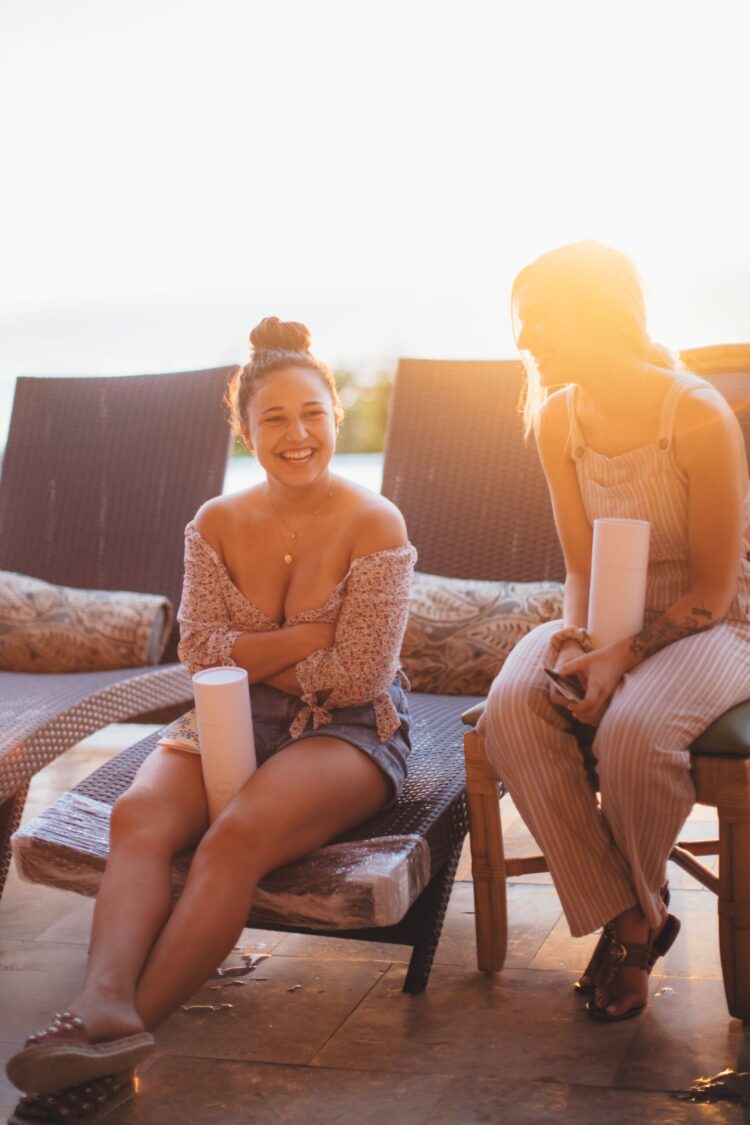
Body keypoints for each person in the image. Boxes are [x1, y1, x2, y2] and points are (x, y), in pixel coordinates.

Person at [6, 317, 416, 1120]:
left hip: (348, 727)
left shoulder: (377, 523)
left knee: (235, 837)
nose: (297, 435)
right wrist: (304, 636)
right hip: (227, 709)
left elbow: (359, 673)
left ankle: (100, 1048)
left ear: (336, 414)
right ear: (245, 430)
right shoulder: (216, 522)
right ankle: (104, 1001)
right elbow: (199, 654)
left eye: (312, 414)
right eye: (273, 419)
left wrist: (254, 648)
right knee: (138, 814)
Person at [479, 241, 750, 1022]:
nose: (524, 340)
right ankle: (630, 909)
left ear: (599, 314)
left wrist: (621, 659)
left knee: (632, 731)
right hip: (609, 613)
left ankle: (636, 928)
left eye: (537, 320)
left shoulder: (694, 415)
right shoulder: (558, 417)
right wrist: (576, 639)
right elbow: (582, 565)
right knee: (514, 706)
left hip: (719, 621)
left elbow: (713, 589)